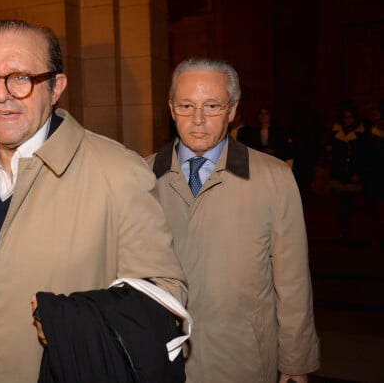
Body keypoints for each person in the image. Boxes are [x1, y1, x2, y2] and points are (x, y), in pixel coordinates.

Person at [0, 19, 187, 383]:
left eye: (20, 77)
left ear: (55, 87)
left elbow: (167, 296)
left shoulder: (117, 172)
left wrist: (75, 326)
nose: (1, 94)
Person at [147, 57, 320, 383]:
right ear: (171, 109)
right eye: (186, 105)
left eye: (212, 106)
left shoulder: (273, 178)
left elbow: (293, 282)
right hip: (161, 357)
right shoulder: (142, 177)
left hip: (243, 358)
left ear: (233, 110)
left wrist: (296, 362)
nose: (197, 119)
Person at [324, 100, 368, 239]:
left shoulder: (361, 134)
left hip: (353, 174)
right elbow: (330, 149)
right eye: (345, 117)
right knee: (340, 204)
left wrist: (359, 172)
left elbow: (364, 155)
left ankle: (351, 231)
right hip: (339, 173)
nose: (347, 120)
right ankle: (343, 230)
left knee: (351, 205)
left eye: (350, 117)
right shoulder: (336, 131)